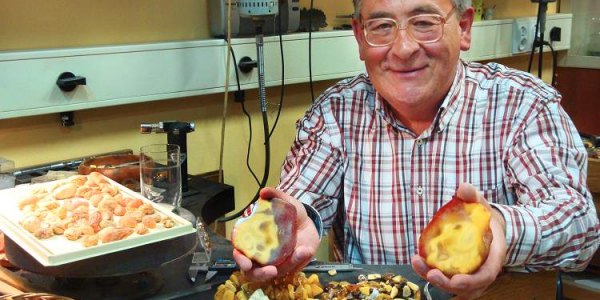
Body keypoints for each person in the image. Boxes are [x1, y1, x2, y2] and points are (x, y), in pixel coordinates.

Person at [233, 0, 600, 298]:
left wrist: (501, 228)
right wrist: (293, 221)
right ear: (360, 37)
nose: (404, 48)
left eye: (424, 22)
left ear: (465, 27)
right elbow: (304, 200)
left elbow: (579, 226)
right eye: (381, 26)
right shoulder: (336, 112)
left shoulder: (522, 104)